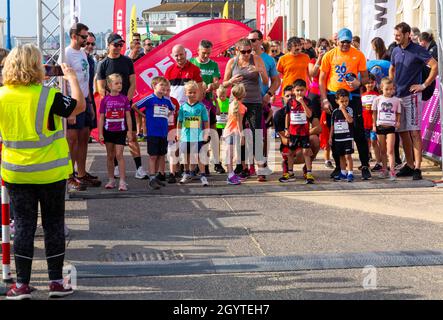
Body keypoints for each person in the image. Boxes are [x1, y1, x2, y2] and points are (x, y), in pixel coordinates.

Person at [0, 44, 86, 299]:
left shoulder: (2, 95)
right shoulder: (48, 95)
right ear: (37, 67)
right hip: (51, 172)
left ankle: (22, 285)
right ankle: (56, 283)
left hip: (17, 171)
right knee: (53, 225)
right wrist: (71, 77)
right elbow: (79, 107)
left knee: (25, 226)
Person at [319, 28, 372, 180]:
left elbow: (366, 78)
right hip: (333, 96)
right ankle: (339, 167)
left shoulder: (358, 55)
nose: (345, 45)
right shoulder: (329, 55)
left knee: (358, 132)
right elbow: (322, 79)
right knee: (336, 133)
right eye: (343, 42)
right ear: (337, 41)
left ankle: (364, 166)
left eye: (348, 42)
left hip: (353, 96)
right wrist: (324, 100)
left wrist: (358, 83)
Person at [389, 22, 438, 180]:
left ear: (407, 34)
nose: (396, 38)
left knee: (415, 132)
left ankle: (417, 167)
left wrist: (424, 85)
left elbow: (435, 66)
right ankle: (409, 165)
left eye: (398, 35)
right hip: (398, 96)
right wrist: (391, 86)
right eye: (395, 35)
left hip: (412, 97)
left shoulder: (418, 50)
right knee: (402, 132)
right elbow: (392, 67)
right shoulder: (395, 50)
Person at [97, 33, 148, 180]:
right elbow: (101, 88)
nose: (119, 47)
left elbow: (133, 83)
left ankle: (139, 168)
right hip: (111, 110)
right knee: (112, 141)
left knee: (132, 136)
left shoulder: (127, 61)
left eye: (121, 45)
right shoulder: (103, 64)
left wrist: (126, 101)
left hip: (126, 106)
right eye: (116, 44)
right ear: (109, 45)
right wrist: (113, 103)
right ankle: (116, 167)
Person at [61, 23, 101, 191]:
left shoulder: (83, 54)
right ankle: (69, 175)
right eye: (84, 37)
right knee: (72, 140)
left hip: (85, 100)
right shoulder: (66, 53)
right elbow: (63, 80)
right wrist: (68, 110)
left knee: (84, 137)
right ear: (74, 36)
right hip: (72, 102)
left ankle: (82, 173)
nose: (86, 40)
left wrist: (90, 103)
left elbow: (86, 80)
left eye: (87, 37)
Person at [223, 38, 269, 180]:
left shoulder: (256, 59)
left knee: (256, 134)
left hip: (254, 101)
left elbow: (267, 82)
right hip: (237, 102)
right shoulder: (232, 62)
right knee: (238, 134)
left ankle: (261, 168)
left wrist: (260, 70)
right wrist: (231, 81)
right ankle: (242, 167)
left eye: (249, 51)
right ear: (237, 51)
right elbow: (224, 83)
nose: (247, 54)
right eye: (243, 52)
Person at [247, 30, 281, 181]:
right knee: (246, 136)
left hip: (261, 101)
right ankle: (249, 165)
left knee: (261, 136)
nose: (251, 43)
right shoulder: (243, 57)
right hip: (246, 101)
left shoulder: (268, 60)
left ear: (261, 41)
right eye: (249, 40)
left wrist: (269, 94)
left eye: (254, 40)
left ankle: (262, 165)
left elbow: (276, 81)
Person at [135, 76, 175, 190]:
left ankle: (156, 177)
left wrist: (167, 114)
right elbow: (135, 106)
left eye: (165, 86)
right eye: (161, 85)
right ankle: (151, 178)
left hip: (163, 132)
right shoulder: (149, 98)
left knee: (161, 155)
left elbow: (173, 108)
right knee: (153, 156)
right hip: (153, 132)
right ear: (154, 86)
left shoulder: (167, 100)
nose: (163, 88)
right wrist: (144, 115)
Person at [190, 40, 222, 174]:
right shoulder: (192, 62)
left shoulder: (213, 64)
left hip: (209, 103)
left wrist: (212, 86)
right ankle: (197, 164)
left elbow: (216, 83)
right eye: (203, 53)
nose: (206, 56)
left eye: (208, 53)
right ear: (198, 50)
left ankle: (216, 162)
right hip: (194, 104)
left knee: (212, 134)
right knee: (194, 134)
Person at [99, 74, 133, 191]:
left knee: (119, 155)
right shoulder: (105, 100)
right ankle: (111, 179)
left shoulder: (124, 99)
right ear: (109, 85)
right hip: (108, 131)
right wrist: (100, 133)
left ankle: (122, 181)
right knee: (110, 156)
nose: (120, 85)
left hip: (121, 131)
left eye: (121, 83)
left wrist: (129, 131)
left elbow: (128, 116)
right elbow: (101, 118)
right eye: (116, 83)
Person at [177, 81, 210, 186]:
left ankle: (203, 176)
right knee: (185, 156)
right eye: (190, 92)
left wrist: (206, 134)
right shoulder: (183, 107)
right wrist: (178, 133)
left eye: (194, 92)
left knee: (200, 156)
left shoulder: (201, 107)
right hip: (185, 136)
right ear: (185, 93)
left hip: (198, 136)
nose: (192, 94)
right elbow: (180, 121)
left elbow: (206, 122)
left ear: (198, 93)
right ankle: (186, 173)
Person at [283, 80, 315, 184]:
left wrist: (302, 103)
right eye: (297, 90)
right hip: (293, 132)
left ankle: (309, 173)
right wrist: (286, 129)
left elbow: (309, 115)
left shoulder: (308, 101)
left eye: (302, 90)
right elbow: (287, 115)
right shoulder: (290, 102)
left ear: (306, 90)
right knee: (291, 152)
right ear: (293, 90)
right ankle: (290, 172)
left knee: (306, 152)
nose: (299, 93)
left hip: (304, 132)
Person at [372, 78, 402, 181]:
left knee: (390, 150)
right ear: (381, 88)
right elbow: (374, 112)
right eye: (386, 89)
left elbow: (398, 113)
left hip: (391, 127)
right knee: (383, 150)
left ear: (394, 89)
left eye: (391, 89)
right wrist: (374, 125)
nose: (389, 91)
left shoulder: (396, 100)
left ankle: (392, 171)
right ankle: (384, 169)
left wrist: (398, 121)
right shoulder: (377, 99)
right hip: (380, 126)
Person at [309, 39, 332, 168]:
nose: (323, 49)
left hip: (327, 93)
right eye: (320, 47)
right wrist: (319, 59)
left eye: (325, 47)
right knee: (316, 125)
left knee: (328, 125)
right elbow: (313, 73)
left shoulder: (331, 60)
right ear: (316, 48)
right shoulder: (312, 60)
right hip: (314, 94)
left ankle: (328, 156)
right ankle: (312, 154)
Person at [223, 84, 247, 185]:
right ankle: (230, 175)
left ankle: (231, 173)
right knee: (231, 155)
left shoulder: (232, 103)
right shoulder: (240, 107)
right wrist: (242, 135)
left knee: (230, 155)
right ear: (243, 94)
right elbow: (239, 123)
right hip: (233, 133)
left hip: (228, 132)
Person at [329, 90, 355, 182]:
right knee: (341, 156)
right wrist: (330, 137)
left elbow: (350, 120)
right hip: (338, 138)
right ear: (337, 101)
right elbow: (332, 125)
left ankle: (350, 173)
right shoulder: (335, 112)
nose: (344, 103)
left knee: (348, 156)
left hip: (347, 137)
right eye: (342, 101)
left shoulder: (349, 110)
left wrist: (343, 109)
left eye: (346, 101)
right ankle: (343, 172)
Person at [361, 73, 382, 172]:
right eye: (367, 83)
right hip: (364, 124)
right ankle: (365, 163)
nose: (369, 85)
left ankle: (379, 163)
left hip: (374, 124)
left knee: (374, 142)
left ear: (375, 83)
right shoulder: (362, 95)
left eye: (371, 82)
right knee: (365, 144)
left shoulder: (378, 96)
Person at [275, 86, 294, 182]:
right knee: (288, 148)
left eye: (293, 95)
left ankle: (307, 169)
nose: (290, 98)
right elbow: (283, 138)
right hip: (289, 143)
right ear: (283, 98)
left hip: (301, 140)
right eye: (288, 96)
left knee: (314, 140)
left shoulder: (303, 110)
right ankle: (286, 169)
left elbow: (317, 128)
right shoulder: (278, 114)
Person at [165, 82, 181, 184]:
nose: (166, 92)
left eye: (168, 90)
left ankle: (172, 173)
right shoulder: (158, 101)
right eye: (164, 90)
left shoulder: (174, 101)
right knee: (161, 153)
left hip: (172, 130)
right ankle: (160, 172)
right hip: (161, 130)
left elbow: (178, 117)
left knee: (172, 152)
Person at [215, 86, 229, 174]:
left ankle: (228, 161)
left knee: (228, 144)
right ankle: (217, 162)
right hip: (218, 125)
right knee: (217, 144)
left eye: (223, 96)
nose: (222, 97)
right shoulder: (216, 102)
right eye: (220, 96)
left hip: (227, 126)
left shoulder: (228, 101)